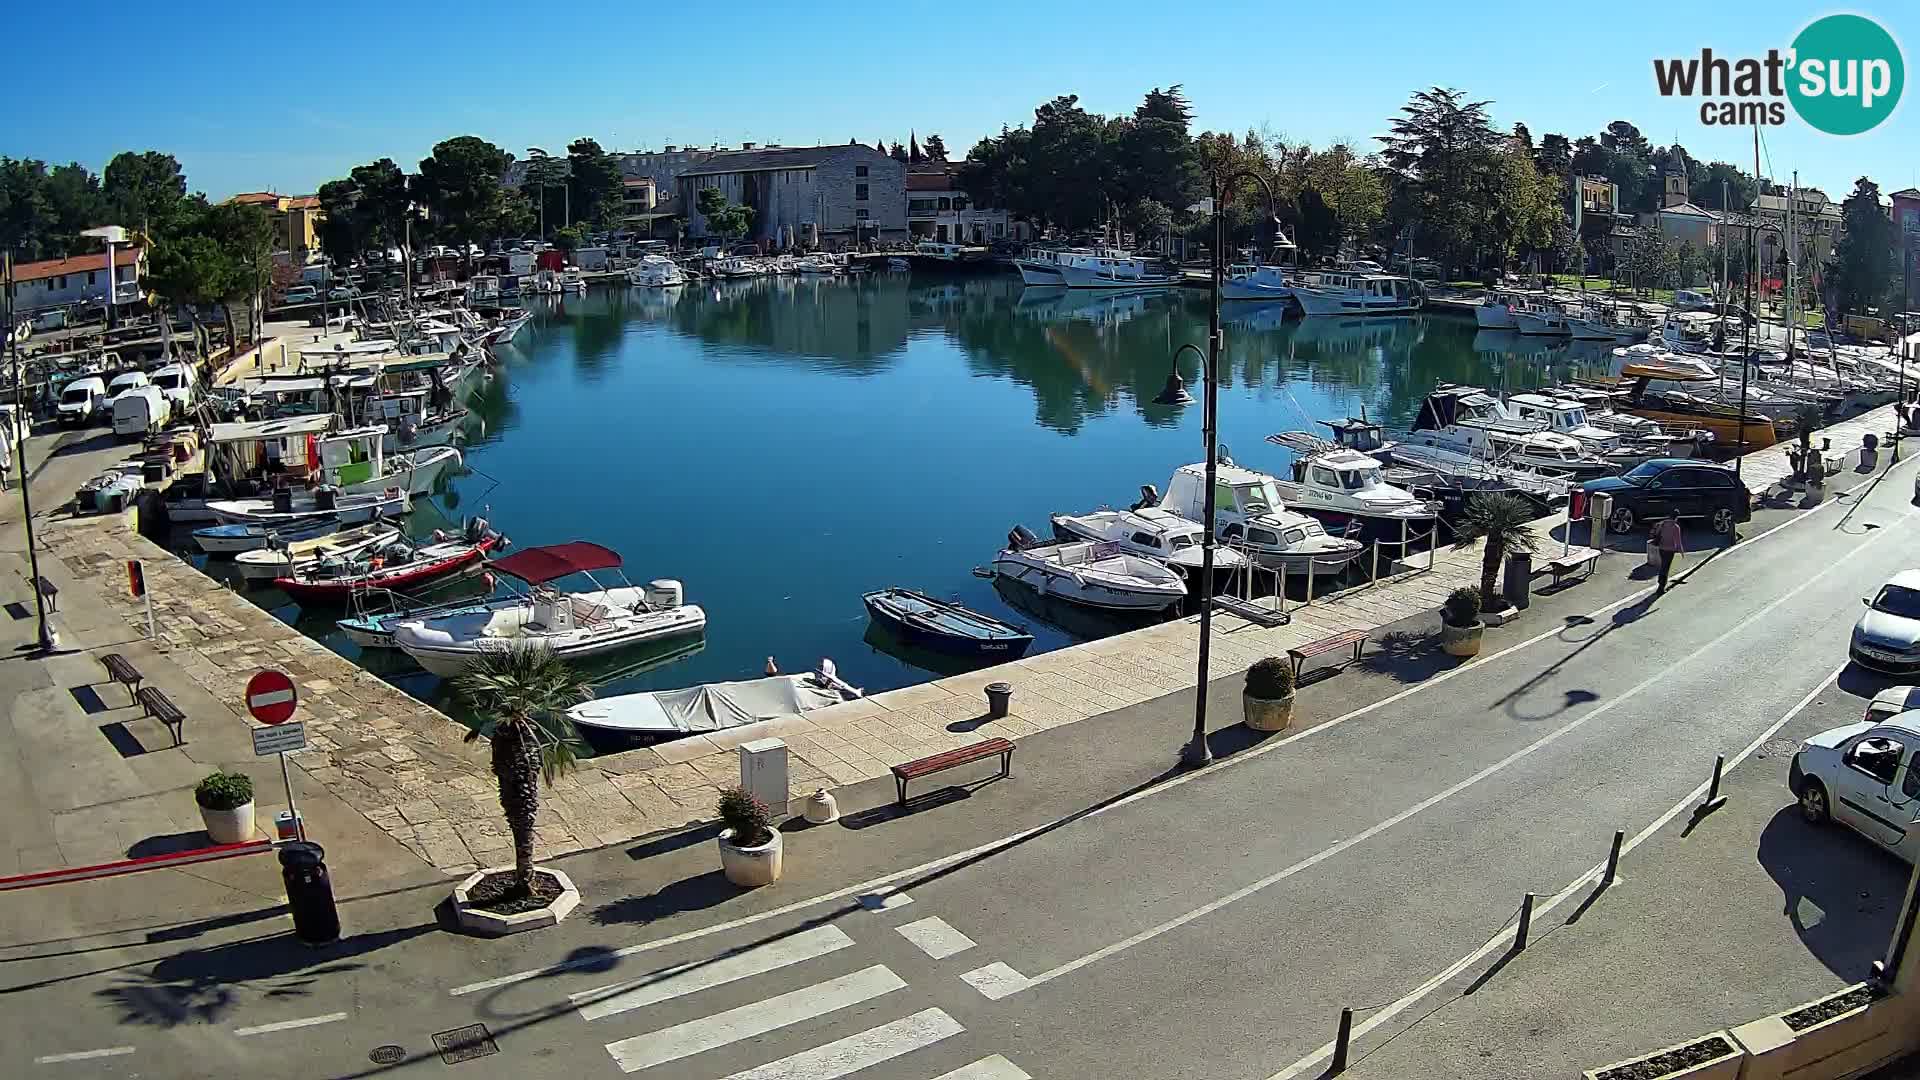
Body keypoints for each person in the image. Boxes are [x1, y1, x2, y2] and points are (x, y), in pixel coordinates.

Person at [1652, 511, 1684, 594]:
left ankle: (1660, 583)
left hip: (1662, 548)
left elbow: (1656, 534)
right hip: (1670, 550)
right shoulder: (1676, 527)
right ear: (1676, 518)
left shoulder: (1662, 524)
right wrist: (1681, 551)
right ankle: (1661, 587)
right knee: (1666, 567)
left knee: (1663, 565)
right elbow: (1678, 541)